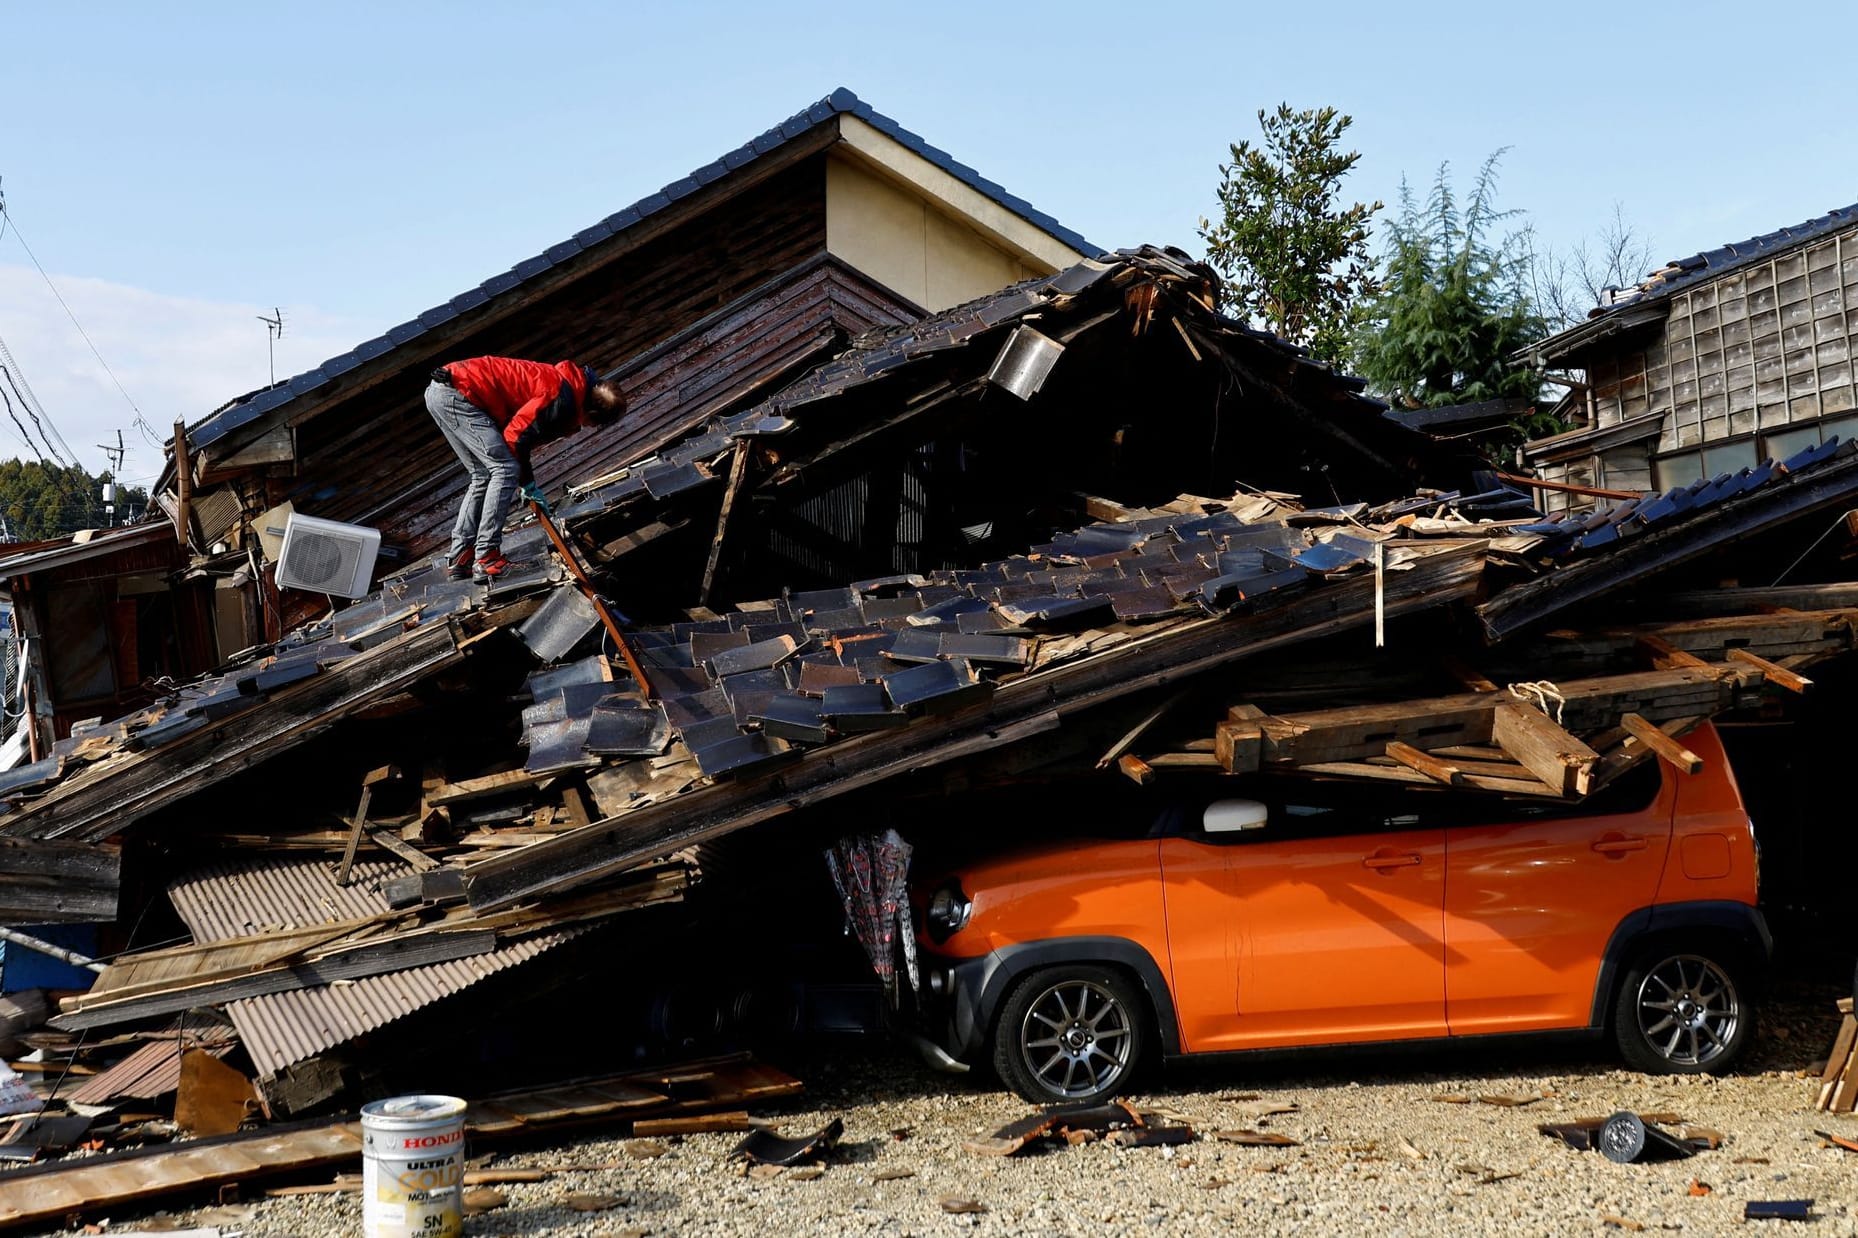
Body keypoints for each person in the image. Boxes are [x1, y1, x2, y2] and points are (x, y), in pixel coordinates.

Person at [425, 356, 626, 580]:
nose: (589, 427)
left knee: (482, 474)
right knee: (505, 468)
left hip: (444, 392)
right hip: (460, 394)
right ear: (593, 413)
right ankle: (487, 557)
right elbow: (514, 438)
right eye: (595, 423)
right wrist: (528, 484)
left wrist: (527, 481)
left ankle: (461, 554)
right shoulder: (561, 397)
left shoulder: (568, 386)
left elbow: (522, 436)